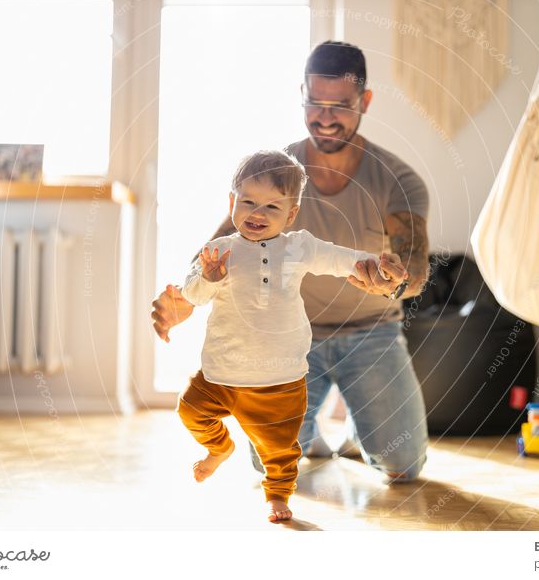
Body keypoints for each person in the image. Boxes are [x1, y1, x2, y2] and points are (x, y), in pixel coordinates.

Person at [153, 40, 430, 484]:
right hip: (282, 342)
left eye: (340, 105)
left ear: (365, 101)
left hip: (372, 335)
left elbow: (415, 267)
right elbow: (218, 246)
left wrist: (394, 282)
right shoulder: (276, 174)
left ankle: (362, 427)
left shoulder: (398, 180)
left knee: (404, 466)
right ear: (301, 93)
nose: (325, 117)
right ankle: (312, 434)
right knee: (267, 464)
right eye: (314, 103)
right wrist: (186, 296)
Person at [173, 150, 408, 522]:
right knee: (190, 411)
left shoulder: (298, 246)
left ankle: (278, 496)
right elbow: (191, 296)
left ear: (291, 214)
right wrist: (207, 279)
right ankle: (219, 448)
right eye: (248, 202)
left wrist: (376, 264)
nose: (257, 213)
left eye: (272, 207)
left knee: (280, 450)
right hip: (220, 374)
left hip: (280, 377)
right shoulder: (219, 251)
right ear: (232, 202)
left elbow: (341, 258)